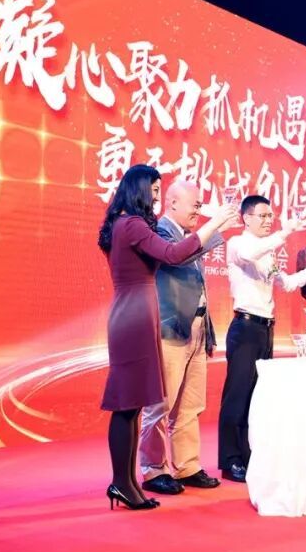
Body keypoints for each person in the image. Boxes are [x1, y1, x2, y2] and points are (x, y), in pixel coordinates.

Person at [98, 165, 238, 510]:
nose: (157, 197)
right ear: (139, 189)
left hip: (136, 314)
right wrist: (215, 223)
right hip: (134, 317)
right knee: (128, 406)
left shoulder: (126, 224)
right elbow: (173, 254)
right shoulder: (132, 224)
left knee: (132, 406)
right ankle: (124, 482)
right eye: (155, 190)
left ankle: (127, 483)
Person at [219, 195, 306, 482]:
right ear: (246, 218)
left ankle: (247, 455)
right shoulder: (238, 244)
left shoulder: (268, 253)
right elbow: (250, 254)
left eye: (270, 216)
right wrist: (284, 233)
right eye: (262, 215)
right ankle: (230, 460)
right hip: (245, 327)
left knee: (255, 396)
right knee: (237, 395)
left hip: (265, 329)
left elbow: (289, 283)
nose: (268, 220)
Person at [138, 180, 225, 496]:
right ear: (172, 202)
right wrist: (215, 226)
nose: (199, 210)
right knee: (160, 405)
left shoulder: (189, 236)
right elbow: (176, 258)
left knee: (190, 404)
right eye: (195, 205)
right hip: (171, 328)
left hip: (197, 328)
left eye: (200, 205)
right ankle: (153, 469)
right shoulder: (159, 232)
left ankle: (187, 466)